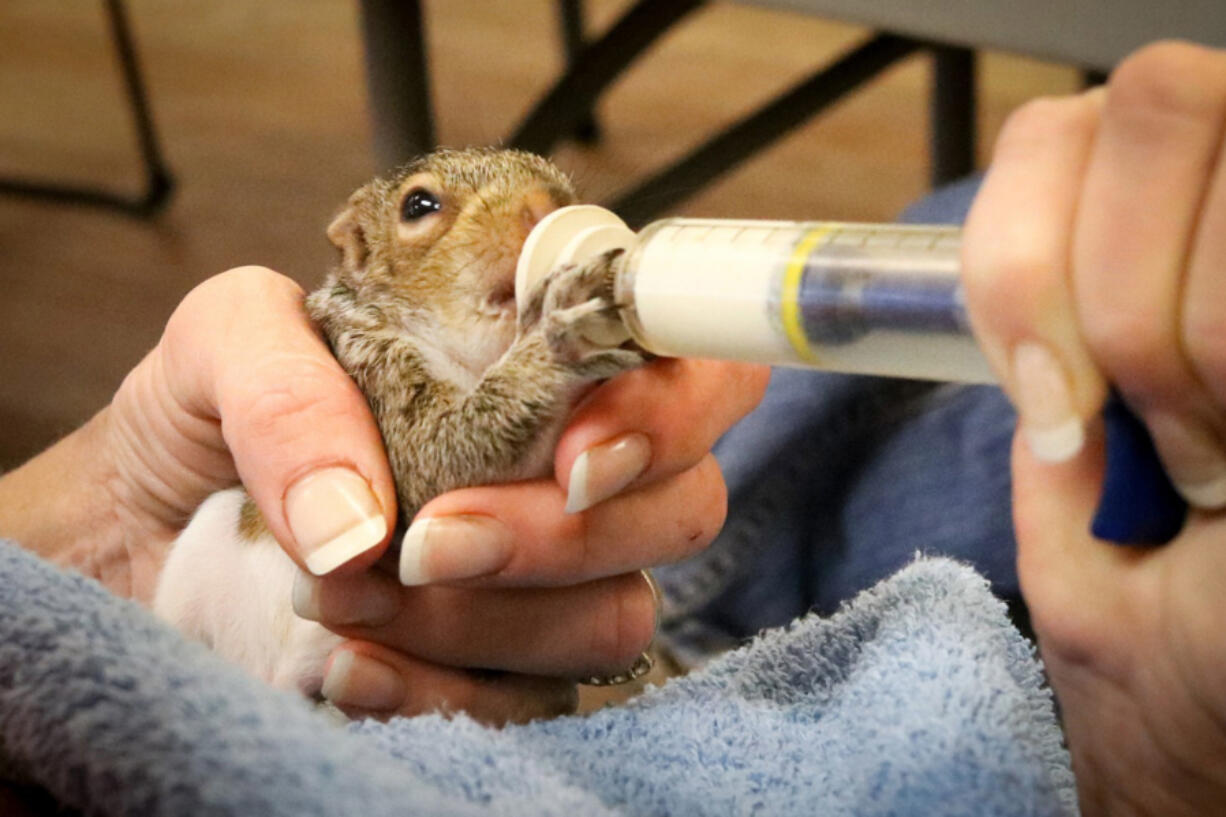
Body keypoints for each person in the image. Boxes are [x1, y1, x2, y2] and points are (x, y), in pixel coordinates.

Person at [1, 37, 1224, 816]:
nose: (519, 225)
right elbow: (432, 456)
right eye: (433, 212)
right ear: (361, 253)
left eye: (540, 203)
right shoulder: (356, 345)